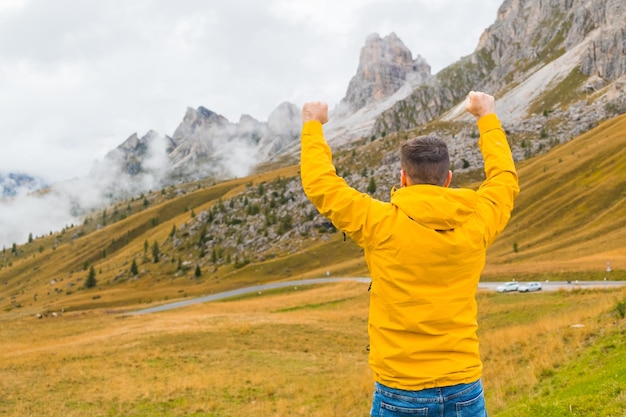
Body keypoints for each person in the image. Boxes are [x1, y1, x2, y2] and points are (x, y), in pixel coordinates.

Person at [300, 91, 519, 416]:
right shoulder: (478, 220)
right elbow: (504, 180)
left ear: (403, 178)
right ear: (448, 179)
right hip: (464, 386)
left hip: (401, 390)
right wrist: (486, 117)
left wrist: (312, 126)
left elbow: (322, 184)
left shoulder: (378, 222)